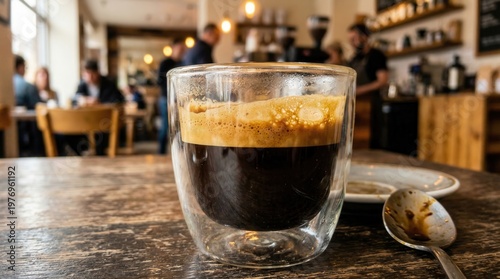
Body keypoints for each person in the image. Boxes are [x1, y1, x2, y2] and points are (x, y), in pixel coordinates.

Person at [347, 23, 389, 149]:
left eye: (355, 38)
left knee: (372, 140)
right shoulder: (354, 59)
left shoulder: (376, 55)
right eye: (351, 40)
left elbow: (382, 81)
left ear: (364, 37)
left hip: (372, 103)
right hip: (356, 105)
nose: (353, 42)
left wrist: (359, 90)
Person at [157, 38, 187, 154]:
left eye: (183, 49)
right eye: (180, 48)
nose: (182, 51)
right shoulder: (165, 63)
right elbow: (160, 82)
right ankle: (160, 153)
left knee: (179, 128)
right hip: (166, 99)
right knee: (165, 127)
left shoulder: (183, 63)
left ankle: (178, 154)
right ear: (173, 48)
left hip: (180, 101)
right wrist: (172, 98)